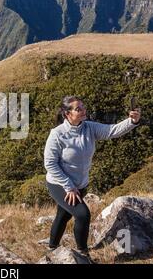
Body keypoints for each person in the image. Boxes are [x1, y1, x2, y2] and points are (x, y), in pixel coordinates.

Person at [43, 96, 141, 262]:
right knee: (82, 214)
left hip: (80, 185)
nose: (83, 111)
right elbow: (50, 164)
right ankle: (83, 253)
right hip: (59, 184)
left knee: (64, 214)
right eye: (78, 109)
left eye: (83, 107)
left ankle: (52, 248)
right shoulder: (57, 134)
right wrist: (68, 186)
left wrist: (132, 121)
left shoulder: (89, 128)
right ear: (67, 114)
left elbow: (112, 131)